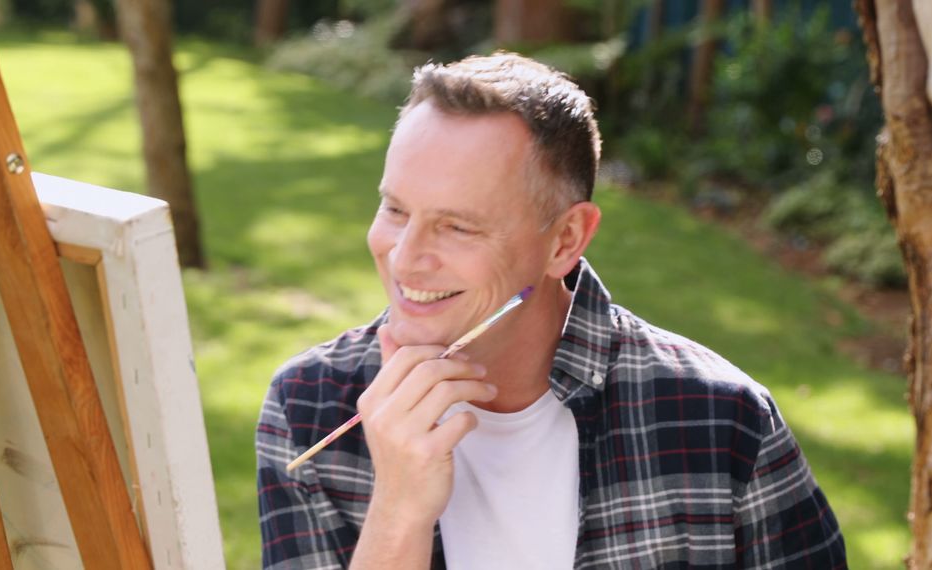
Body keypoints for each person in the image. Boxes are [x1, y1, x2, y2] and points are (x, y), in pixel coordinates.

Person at [256, 52, 846, 569]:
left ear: (565, 240)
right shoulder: (310, 411)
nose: (405, 258)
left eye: (457, 226)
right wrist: (398, 514)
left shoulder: (722, 422)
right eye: (395, 210)